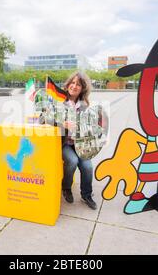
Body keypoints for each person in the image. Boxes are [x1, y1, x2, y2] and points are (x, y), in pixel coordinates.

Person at [60, 71, 97, 210]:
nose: (74, 86)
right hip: (65, 144)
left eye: (79, 85)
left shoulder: (84, 105)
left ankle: (86, 195)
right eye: (73, 83)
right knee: (72, 161)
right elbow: (42, 118)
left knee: (87, 166)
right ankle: (66, 188)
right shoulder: (59, 100)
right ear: (68, 84)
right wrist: (62, 124)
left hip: (80, 144)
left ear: (83, 89)